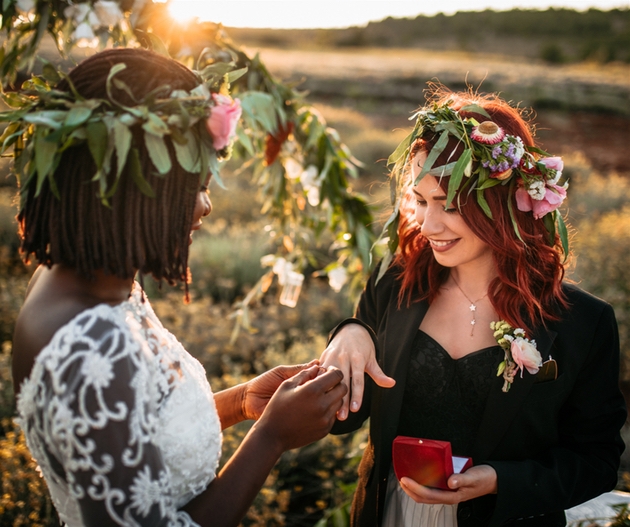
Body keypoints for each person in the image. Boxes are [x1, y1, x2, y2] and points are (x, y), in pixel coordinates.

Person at [7, 48, 347, 527]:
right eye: (196, 186)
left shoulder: (101, 283)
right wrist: (271, 438)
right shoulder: (87, 346)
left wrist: (243, 401)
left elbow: (132, 434)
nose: (206, 206)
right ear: (139, 180)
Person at [319, 86, 626, 526]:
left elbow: (597, 460)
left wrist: (501, 479)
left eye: (448, 206)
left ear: (502, 204)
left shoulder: (584, 322)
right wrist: (350, 332)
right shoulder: (395, 284)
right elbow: (344, 417)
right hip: (390, 515)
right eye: (421, 202)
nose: (427, 225)